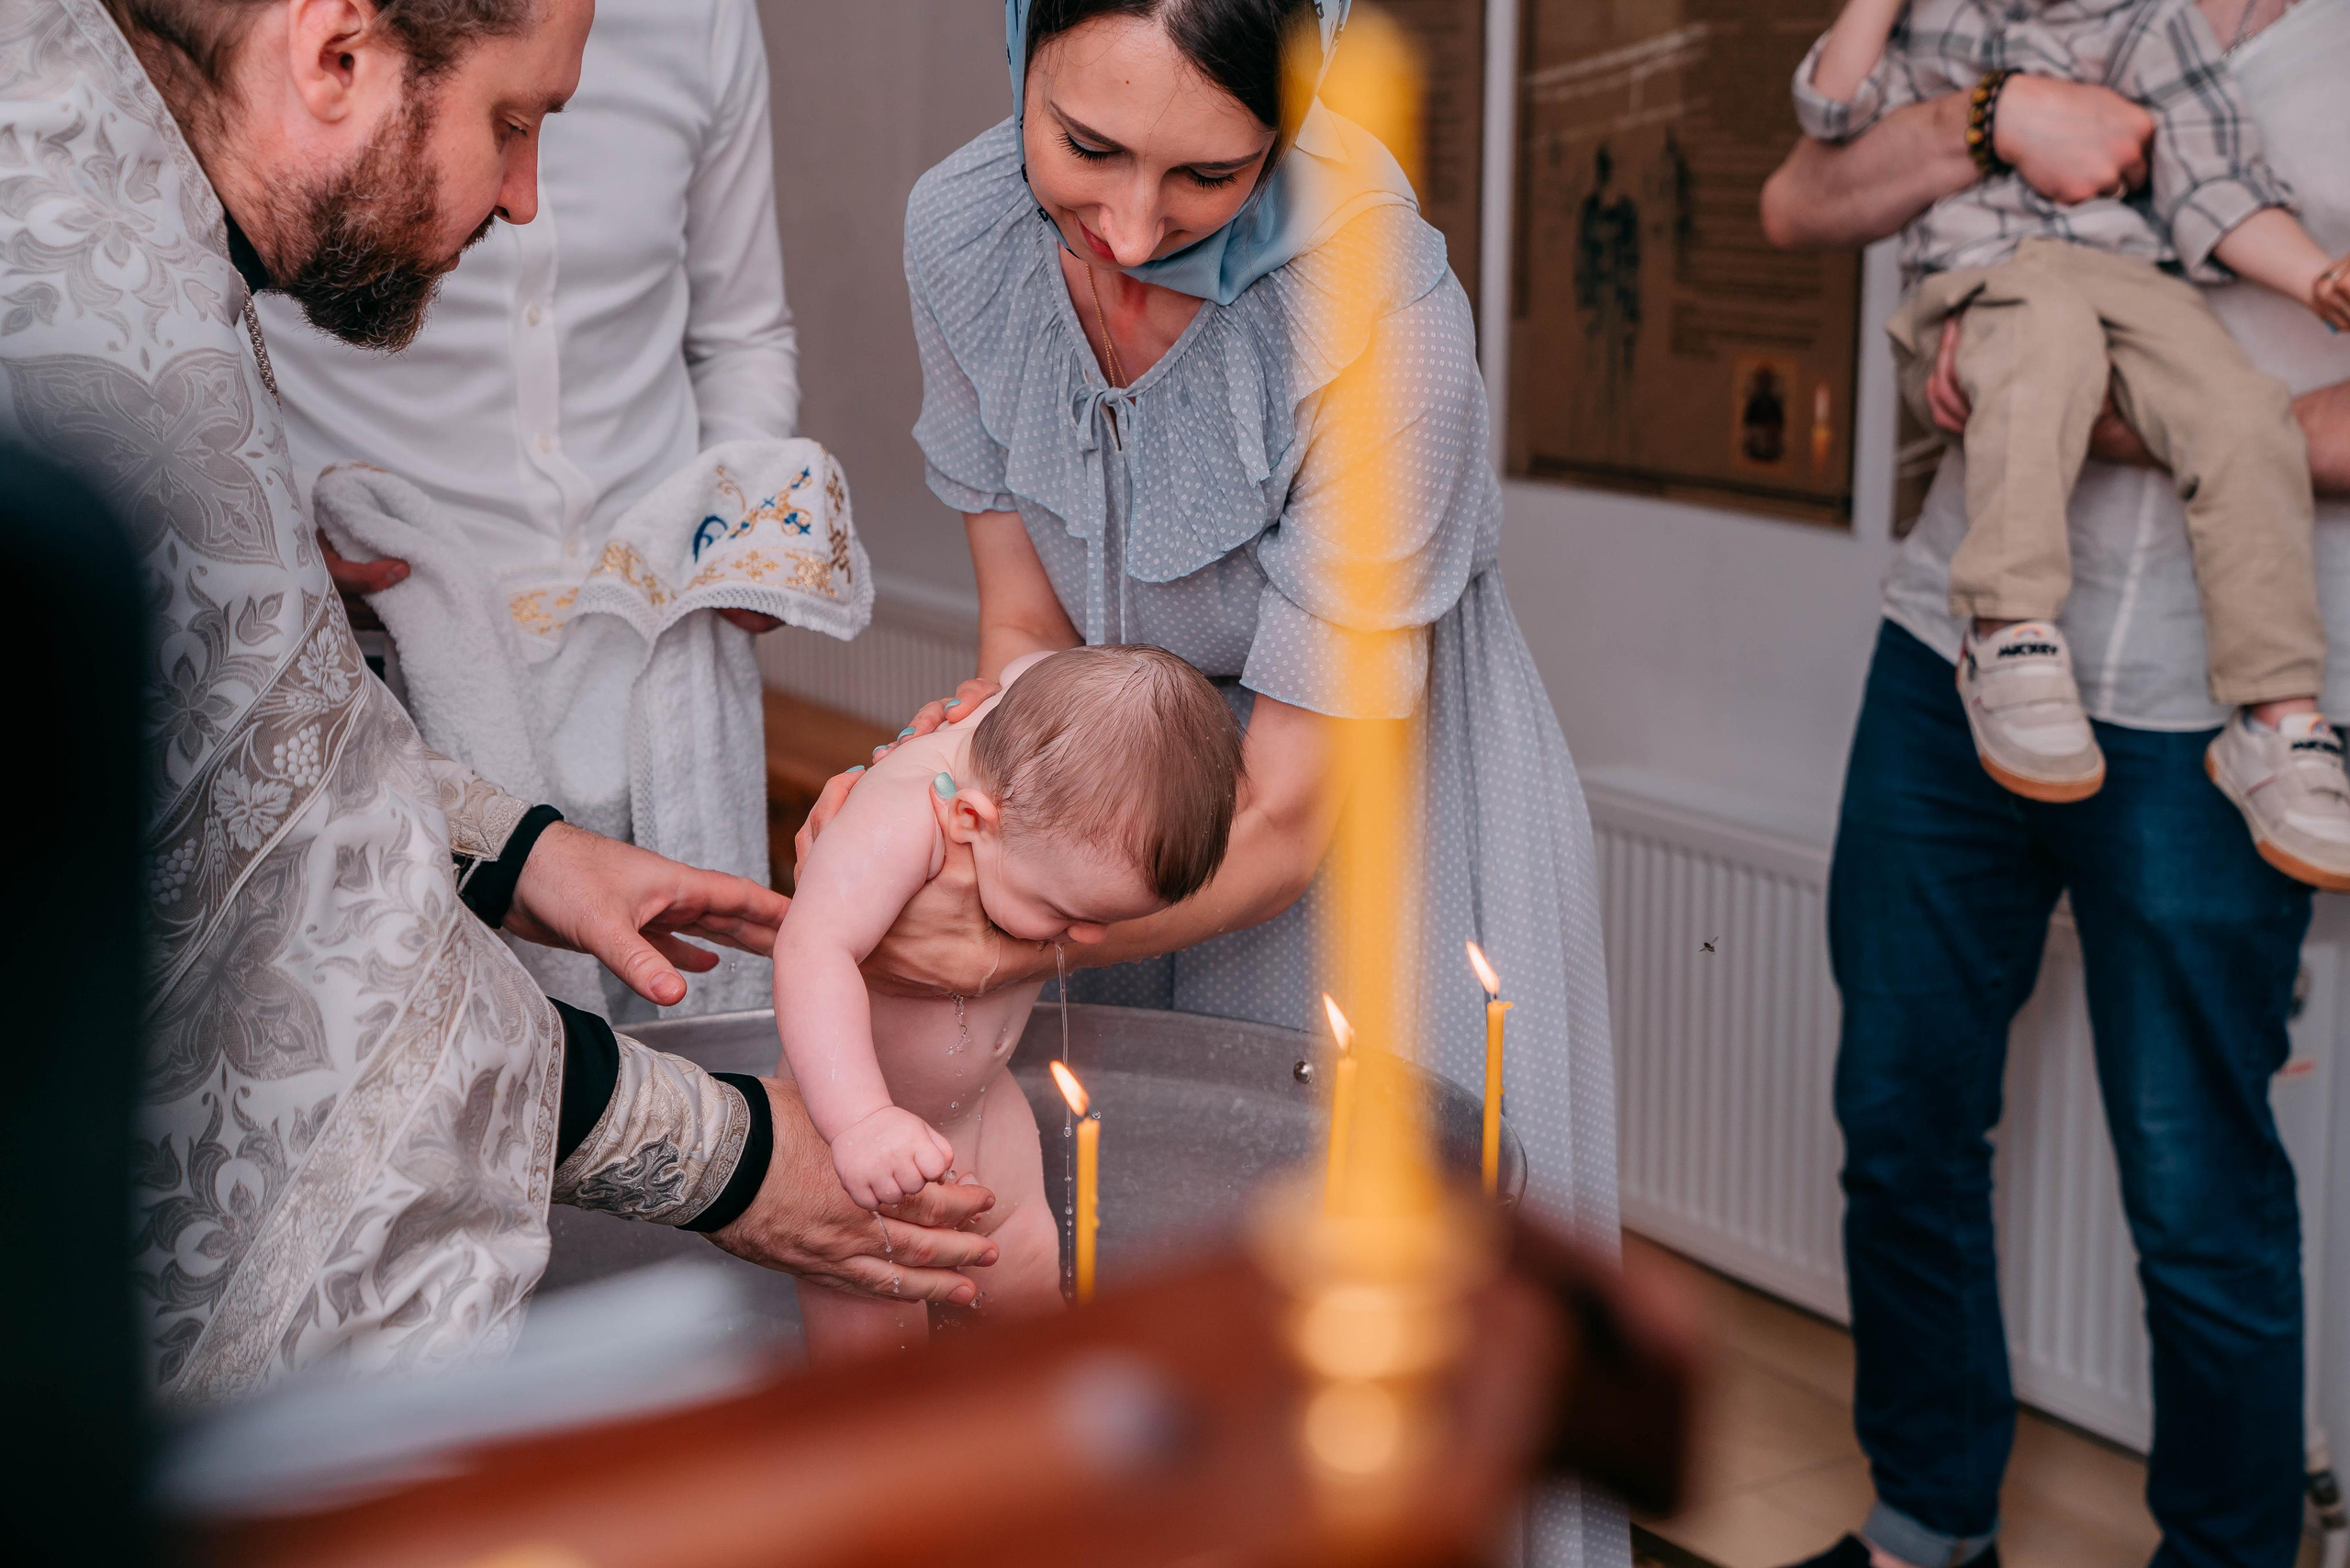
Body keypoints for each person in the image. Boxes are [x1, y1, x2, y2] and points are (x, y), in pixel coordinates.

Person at [0, 0, 994, 1406]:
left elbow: (268, 749)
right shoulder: (110, 361)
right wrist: (740, 1159)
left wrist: (517, 850)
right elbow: (312, 960)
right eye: (509, 125)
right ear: (337, 55)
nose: (527, 200)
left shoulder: (91, 162)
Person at [804, 1, 1626, 1558]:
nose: (1128, 230)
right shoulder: (962, 232)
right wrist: (931, 815)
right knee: (1109, 1298)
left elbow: (1287, 818)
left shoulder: (1385, 325)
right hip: (1101, 805)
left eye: (1207, 176)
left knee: (1348, 1362)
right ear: (1017, 51)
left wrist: (986, 933)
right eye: (1085, 146)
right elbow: (1029, 634)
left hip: (1363, 819)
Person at [1760, 0, 2349, 1562]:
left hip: (2219, 701)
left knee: (2197, 1181)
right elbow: (1802, 198)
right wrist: (1991, 119)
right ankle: (1925, 1522)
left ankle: (2228, 1550)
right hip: (1952, 648)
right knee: (1900, 1119)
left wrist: (2097, 400)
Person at [258, 0, 801, 1018]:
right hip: (400, 648)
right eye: (510, 127)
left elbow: (743, 335)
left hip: (658, 662)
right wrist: (263, 516)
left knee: (683, 1016)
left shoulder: (703, 18)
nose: (526, 199)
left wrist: (740, 521)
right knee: (441, 1032)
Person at [1795, 0, 2350, 881]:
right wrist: (1992, 113)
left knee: (2242, 409)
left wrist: (2317, 278)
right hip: (1992, 277)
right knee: (2041, 339)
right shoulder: (1940, 20)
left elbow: (2215, 189)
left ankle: (2276, 713)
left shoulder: (2147, 23)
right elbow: (1822, 133)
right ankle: (2005, 628)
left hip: (2127, 284)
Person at [778, 644, 1242, 1361]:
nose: (1087, 938)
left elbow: (1034, 668)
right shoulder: (901, 816)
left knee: (1027, 1285)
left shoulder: (1025, 791)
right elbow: (813, 949)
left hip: (982, 1111)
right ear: (973, 819)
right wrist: (861, 1124)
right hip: (850, 1134)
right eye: (1064, 912)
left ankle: (1027, 1408)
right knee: (874, 1344)